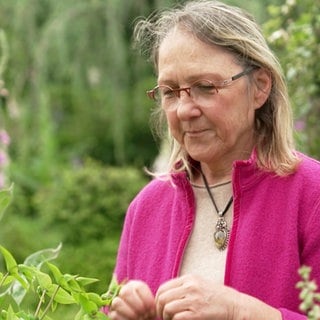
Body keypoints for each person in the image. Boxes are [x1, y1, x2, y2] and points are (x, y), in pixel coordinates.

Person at [103, 1, 320, 319]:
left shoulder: (311, 195)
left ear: (259, 86)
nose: (183, 110)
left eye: (205, 87)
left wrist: (239, 312)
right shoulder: (146, 208)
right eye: (170, 91)